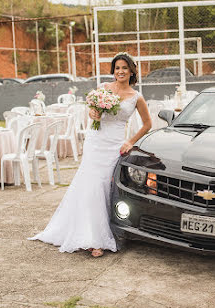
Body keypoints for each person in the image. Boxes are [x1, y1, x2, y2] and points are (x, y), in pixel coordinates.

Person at [29, 52, 152, 258]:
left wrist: (130, 141)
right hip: (95, 142)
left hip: (114, 145)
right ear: (113, 71)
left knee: (104, 187)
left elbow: (148, 124)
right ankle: (91, 237)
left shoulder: (136, 97)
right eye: (117, 68)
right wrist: (92, 113)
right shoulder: (104, 88)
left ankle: (100, 233)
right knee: (91, 185)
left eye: (124, 68)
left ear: (131, 71)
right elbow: (92, 110)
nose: (120, 71)